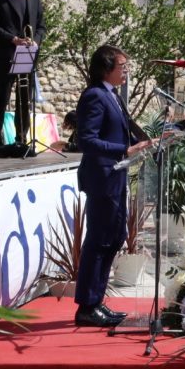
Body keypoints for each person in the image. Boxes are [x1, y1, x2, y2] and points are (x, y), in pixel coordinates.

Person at [73, 45, 154, 327]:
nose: (126, 70)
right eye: (122, 66)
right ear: (106, 67)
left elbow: (126, 128)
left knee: (116, 237)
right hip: (101, 177)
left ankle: (96, 301)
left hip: (116, 176)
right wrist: (125, 149)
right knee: (98, 241)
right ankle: (86, 306)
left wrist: (150, 140)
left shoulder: (113, 95)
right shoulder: (95, 95)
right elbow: (86, 140)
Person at [0, 0, 46, 156]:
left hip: (28, 54)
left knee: (24, 99)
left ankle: (22, 139)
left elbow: (41, 26)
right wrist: (13, 39)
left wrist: (35, 41)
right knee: (1, 98)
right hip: (7, 53)